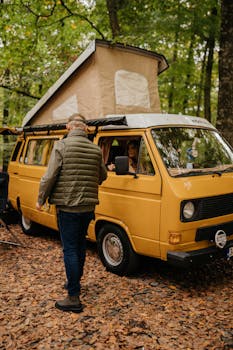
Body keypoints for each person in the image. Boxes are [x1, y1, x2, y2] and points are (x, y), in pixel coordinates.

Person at [36, 113, 107, 313]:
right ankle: (74, 283)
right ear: (85, 129)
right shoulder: (95, 149)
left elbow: (49, 177)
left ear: (69, 127)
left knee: (69, 249)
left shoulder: (62, 146)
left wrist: (40, 199)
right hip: (88, 207)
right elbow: (102, 176)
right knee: (80, 245)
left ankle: (73, 297)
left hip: (67, 207)